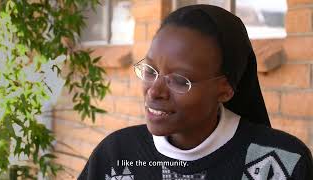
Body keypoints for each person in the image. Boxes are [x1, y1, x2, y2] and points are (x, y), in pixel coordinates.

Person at [78, 4, 313, 180]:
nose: (154, 91)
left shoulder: (284, 163)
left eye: (179, 80)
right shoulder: (116, 154)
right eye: (150, 70)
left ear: (225, 89)